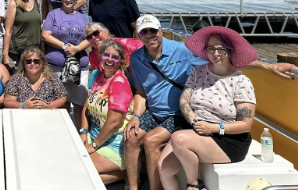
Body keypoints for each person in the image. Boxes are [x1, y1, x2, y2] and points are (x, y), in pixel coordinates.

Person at [124, 14, 297, 190]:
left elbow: (226, 63)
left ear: (161, 31)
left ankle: (187, 185)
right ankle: (132, 187)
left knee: (154, 141)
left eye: (153, 30)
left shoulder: (184, 52)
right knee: (132, 138)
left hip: (194, 123)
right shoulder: (141, 59)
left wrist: (269, 66)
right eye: (144, 31)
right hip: (170, 116)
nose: (149, 34)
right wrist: (136, 115)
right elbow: (144, 93)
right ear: (138, 35)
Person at [159, 27, 258, 190]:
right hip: (197, 128)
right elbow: (185, 100)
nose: (216, 53)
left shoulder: (241, 81)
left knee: (179, 139)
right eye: (211, 48)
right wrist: (193, 120)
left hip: (226, 137)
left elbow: (245, 124)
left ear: (230, 50)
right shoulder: (199, 71)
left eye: (221, 49)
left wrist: (214, 128)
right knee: (164, 168)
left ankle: (193, 184)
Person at [80, 40, 134, 185]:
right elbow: (87, 105)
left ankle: (129, 171)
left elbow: (114, 122)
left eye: (115, 57)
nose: (110, 59)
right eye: (107, 55)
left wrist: (94, 146)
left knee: (80, 172)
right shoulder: (99, 77)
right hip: (94, 134)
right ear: (101, 56)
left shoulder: (119, 83)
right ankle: (127, 172)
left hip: (114, 143)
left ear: (121, 61)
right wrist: (83, 131)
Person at [42, 0, 90, 125]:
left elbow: (90, 38)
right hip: (56, 67)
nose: (68, 0)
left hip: (80, 67)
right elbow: (45, 35)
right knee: (62, 102)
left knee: (80, 104)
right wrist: (64, 46)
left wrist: (76, 49)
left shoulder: (84, 18)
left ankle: (80, 132)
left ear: (76, 0)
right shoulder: (53, 14)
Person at [3, 0, 42, 69]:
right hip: (17, 52)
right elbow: (8, 31)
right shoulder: (13, 4)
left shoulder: (36, 2)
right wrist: (5, 55)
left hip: (34, 52)